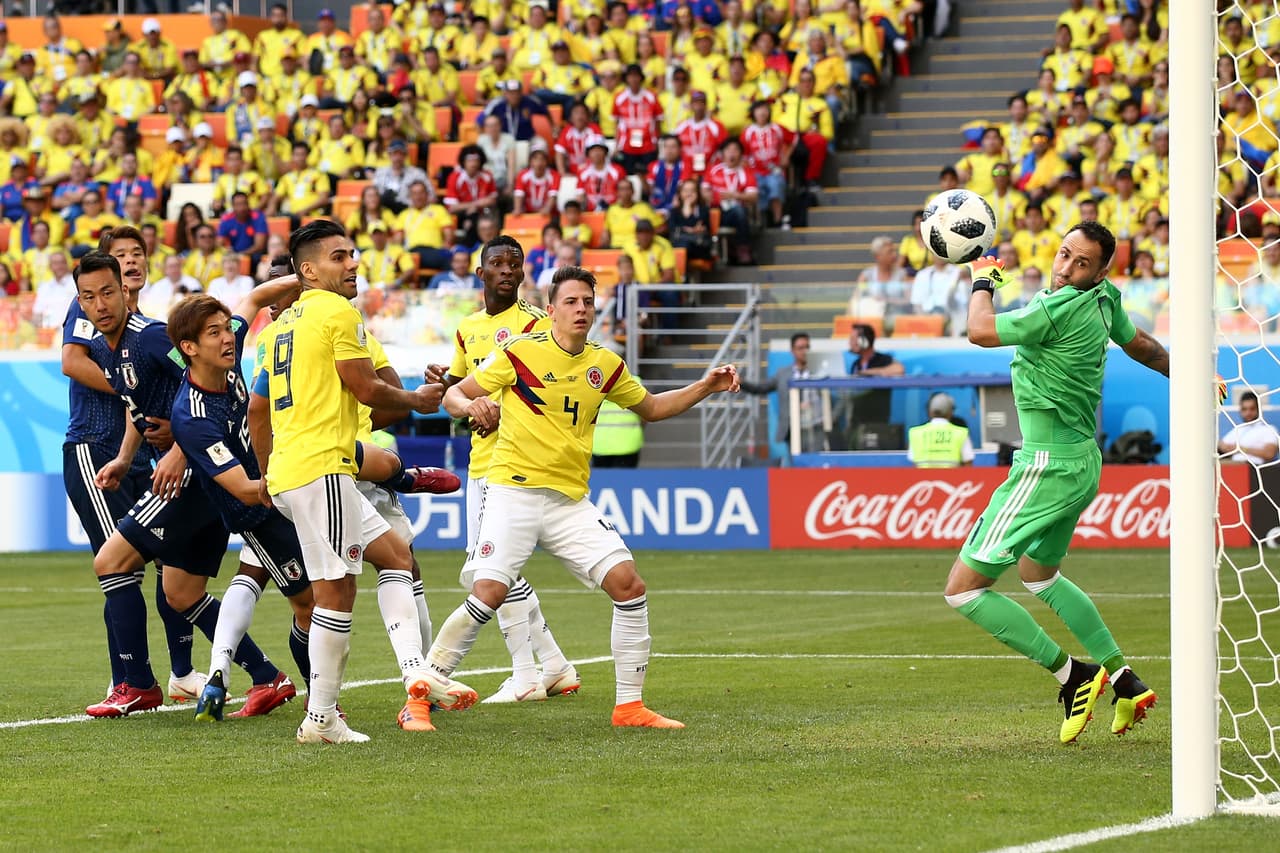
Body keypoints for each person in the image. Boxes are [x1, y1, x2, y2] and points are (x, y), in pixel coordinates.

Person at [426, 264, 740, 727]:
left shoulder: (604, 363)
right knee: (489, 592)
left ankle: (630, 707)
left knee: (628, 584)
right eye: (571, 302)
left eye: (588, 302)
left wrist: (704, 387)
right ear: (550, 310)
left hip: (568, 502)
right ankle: (421, 693)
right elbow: (454, 395)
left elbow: (651, 408)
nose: (581, 310)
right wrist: (471, 403)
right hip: (513, 492)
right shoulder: (518, 353)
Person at [944, 221, 1170, 743]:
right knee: (1039, 574)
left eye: (1081, 263)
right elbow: (1144, 348)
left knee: (963, 591)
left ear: (1102, 271)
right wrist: (1190, 373)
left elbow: (979, 331)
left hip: (1044, 466)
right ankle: (1124, 678)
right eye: (1064, 254)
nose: (1066, 269)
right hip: (1082, 463)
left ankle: (1075, 676)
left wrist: (983, 277)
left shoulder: (1056, 308)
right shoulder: (1104, 301)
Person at [249, 220, 470, 743]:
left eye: (353, 254)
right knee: (336, 592)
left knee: (395, 556)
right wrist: (418, 401)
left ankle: (415, 670)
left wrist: (265, 472)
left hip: (297, 471)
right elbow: (364, 386)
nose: (352, 263)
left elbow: (258, 411)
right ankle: (321, 717)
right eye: (338, 256)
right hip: (323, 467)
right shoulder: (337, 310)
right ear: (308, 270)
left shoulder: (278, 328)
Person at [76, 251, 284, 718]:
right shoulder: (109, 349)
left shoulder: (151, 339)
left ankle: (136, 683)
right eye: (89, 297)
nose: (101, 304)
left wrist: (176, 449)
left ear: (125, 292)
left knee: (111, 561)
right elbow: (150, 404)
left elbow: (193, 386)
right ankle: (268, 676)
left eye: (109, 292)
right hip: (215, 479)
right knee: (181, 594)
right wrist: (125, 457)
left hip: (193, 475)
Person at [424, 235, 579, 704]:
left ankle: (526, 673)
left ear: (525, 274)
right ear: (482, 273)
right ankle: (553, 666)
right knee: (489, 569)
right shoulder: (467, 327)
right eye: (497, 263)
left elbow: (547, 391)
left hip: (513, 462)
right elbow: (459, 390)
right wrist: (448, 387)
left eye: (515, 263)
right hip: (480, 459)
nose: (507, 270)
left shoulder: (535, 324)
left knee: (489, 569)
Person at [167, 286, 319, 723]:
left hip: (284, 482)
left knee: (259, 581)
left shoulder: (224, 355)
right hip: (259, 508)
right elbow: (243, 487)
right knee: (309, 602)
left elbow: (252, 300)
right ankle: (318, 697)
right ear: (190, 349)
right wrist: (300, 477)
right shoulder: (193, 418)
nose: (228, 337)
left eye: (225, 329)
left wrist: (306, 278)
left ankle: (233, 676)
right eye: (213, 333)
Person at [59, 228, 196, 707]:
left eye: (138, 254)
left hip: (141, 456)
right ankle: (129, 681)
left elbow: (190, 375)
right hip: (94, 447)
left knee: (167, 567)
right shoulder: (88, 310)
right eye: (122, 255)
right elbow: (71, 362)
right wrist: (129, 389)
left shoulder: (149, 330)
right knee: (117, 565)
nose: (131, 261)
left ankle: (182, 672)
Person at [740, 332, 825, 458]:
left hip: (814, 427)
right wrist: (741, 383)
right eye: (800, 348)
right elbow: (761, 388)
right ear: (792, 351)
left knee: (813, 465)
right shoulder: (783, 374)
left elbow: (832, 397)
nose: (804, 351)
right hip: (792, 429)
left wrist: (831, 418)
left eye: (807, 347)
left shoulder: (819, 371)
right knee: (795, 466)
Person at [907, 393, 974, 468]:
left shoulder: (915, 433)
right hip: (952, 479)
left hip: (923, 479)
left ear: (930, 411)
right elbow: (968, 464)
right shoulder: (961, 433)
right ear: (950, 411)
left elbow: (914, 465)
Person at [1219, 391, 1279, 466]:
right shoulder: (1238, 429)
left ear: (1258, 409)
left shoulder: (1268, 429)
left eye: (1252, 409)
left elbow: (1269, 453)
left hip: (1256, 469)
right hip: (1233, 466)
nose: (1248, 413)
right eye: (1244, 409)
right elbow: (1221, 445)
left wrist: (1240, 449)